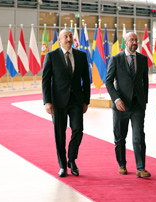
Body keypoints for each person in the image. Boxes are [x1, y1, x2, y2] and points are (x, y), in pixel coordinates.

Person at [42, 29, 90, 177]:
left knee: (78, 130)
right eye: (66, 37)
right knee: (60, 135)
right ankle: (63, 165)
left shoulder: (81, 56)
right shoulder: (51, 56)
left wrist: (86, 101)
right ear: (60, 40)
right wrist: (47, 102)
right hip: (58, 102)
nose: (69, 39)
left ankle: (72, 159)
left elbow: (86, 80)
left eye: (70, 36)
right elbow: (45, 80)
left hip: (76, 101)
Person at [105, 32, 150, 178]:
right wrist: (116, 100)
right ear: (125, 42)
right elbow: (108, 81)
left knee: (139, 137)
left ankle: (141, 167)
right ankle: (122, 164)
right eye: (132, 40)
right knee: (120, 137)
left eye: (136, 40)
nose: (135, 42)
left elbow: (145, 83)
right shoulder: (116, 59)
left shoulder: (143, 59)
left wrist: (144, 101)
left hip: (138, 105)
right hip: (121, 106)